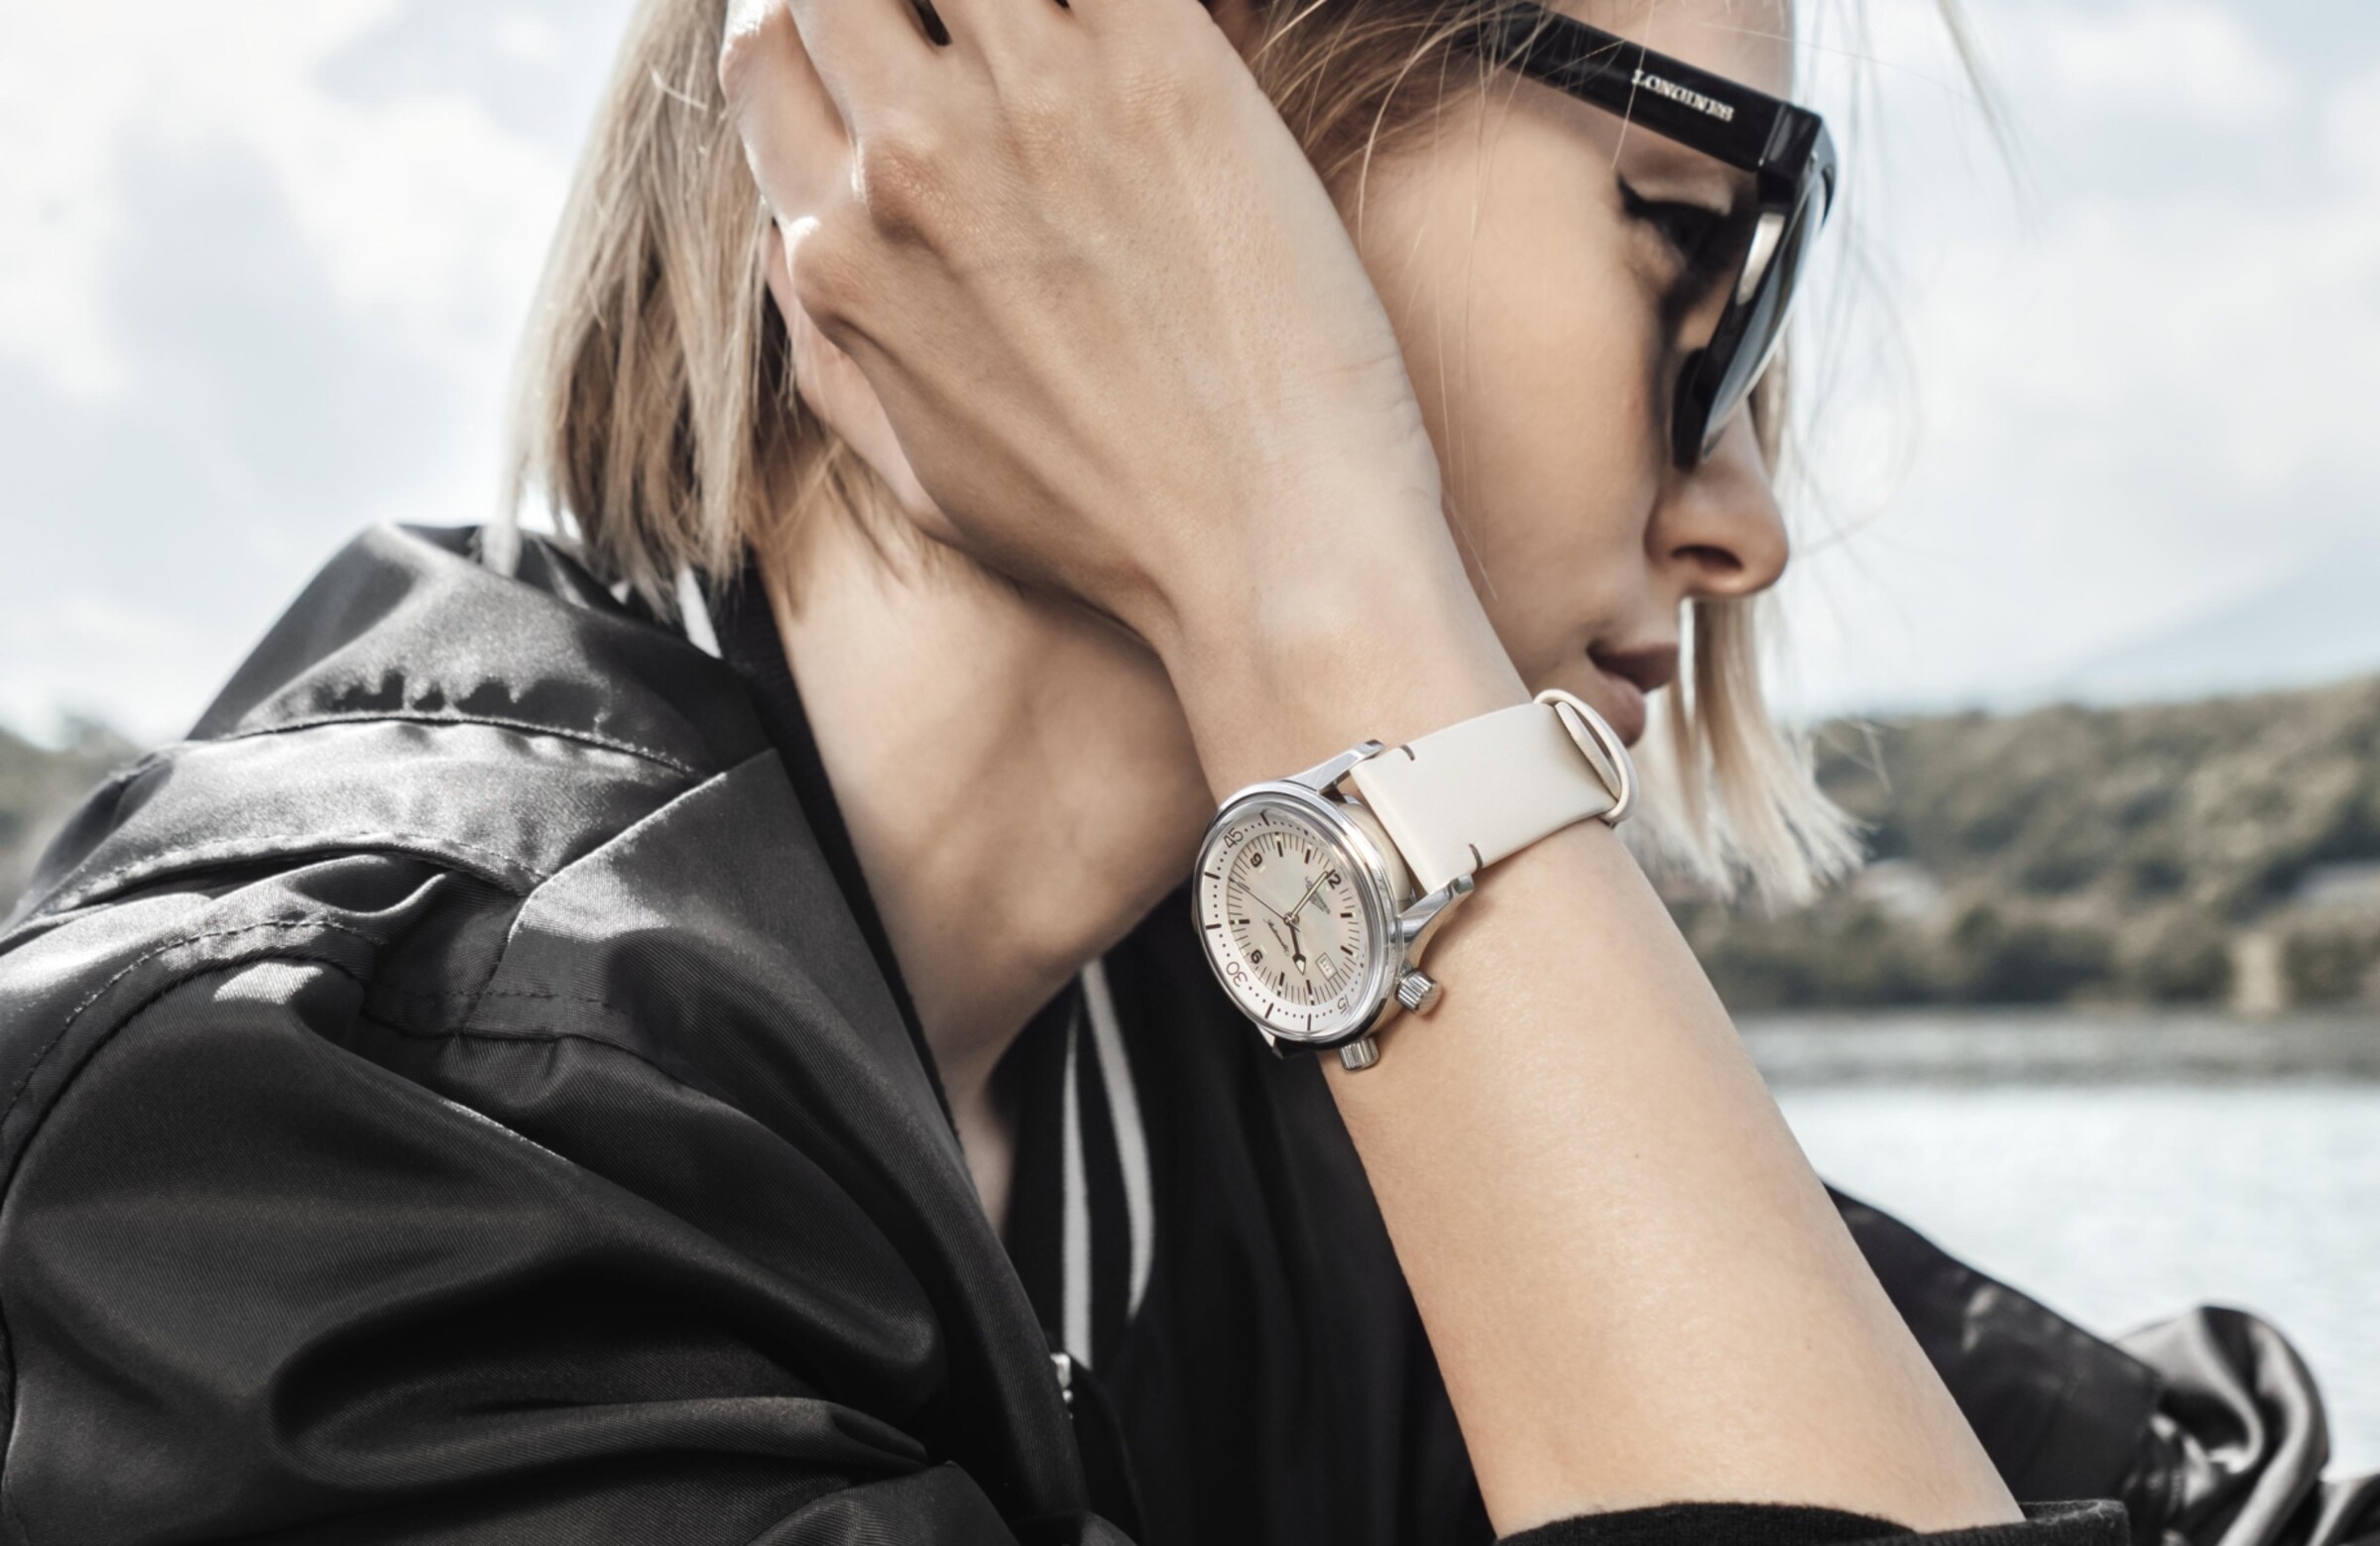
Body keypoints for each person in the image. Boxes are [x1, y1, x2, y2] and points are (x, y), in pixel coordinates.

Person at [0, 0, 2370, 1541]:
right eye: (1686, 241)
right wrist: (1318, 589)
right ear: (1092, 113)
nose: (1748, 508)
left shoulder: (1238, 1088)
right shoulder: (332, 1149)